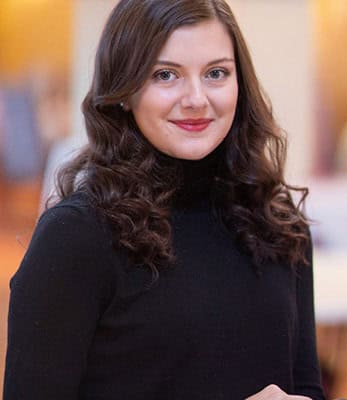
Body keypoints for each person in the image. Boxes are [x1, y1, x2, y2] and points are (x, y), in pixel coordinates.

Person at [3, 1, 325, 399]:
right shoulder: (75, 237)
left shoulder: (278, 224)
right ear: (124, 91)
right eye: (166, 75)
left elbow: (307, 388)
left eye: (216, 73)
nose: (196, 98)